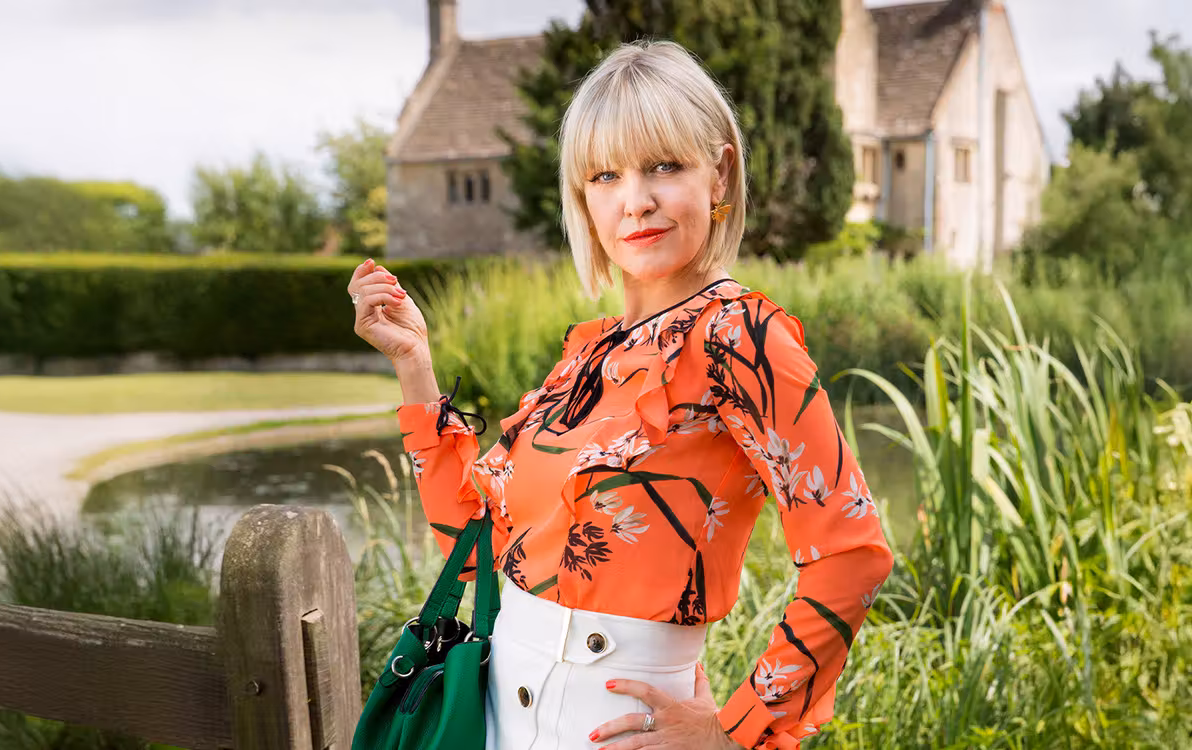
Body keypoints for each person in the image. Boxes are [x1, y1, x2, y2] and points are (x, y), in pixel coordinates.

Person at [347, 39, 893, 750]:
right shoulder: (587, 356)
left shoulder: (742, 338)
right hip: (494, 725)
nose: (636, 202)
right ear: (584, 199)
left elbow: (852, 551)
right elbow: (477, 547)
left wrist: (735, 731)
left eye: (665, 166)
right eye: (606, 175)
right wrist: (415, 366)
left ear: (720, 173)